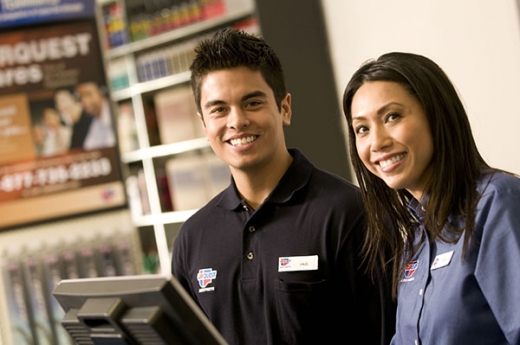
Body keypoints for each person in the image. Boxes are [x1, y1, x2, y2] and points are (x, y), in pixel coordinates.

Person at [171, 28, 396, 345]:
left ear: (285, 108)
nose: (237, 121)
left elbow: (389, 335)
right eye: (219, 109)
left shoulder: (350, 213)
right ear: (204, 124)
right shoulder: (192, 238)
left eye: (252, 102)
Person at [342, 52, 520, 345]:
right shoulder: (414, 235)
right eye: (362, 129)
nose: (377, 142)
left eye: (392, 117)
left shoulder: (496, 203)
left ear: (436, 114)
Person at [75, 81, 116, 149]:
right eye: (81, 96)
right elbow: (89, 147)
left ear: (101, 91)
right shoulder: (92, 120)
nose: (84, 100)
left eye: (88, 94)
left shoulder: (115, 112)